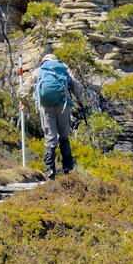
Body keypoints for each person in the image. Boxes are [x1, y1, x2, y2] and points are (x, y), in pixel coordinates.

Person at [33, 50, 76, 179]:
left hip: (46, 108)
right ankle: (68, 168)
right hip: (63, 106)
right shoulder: (64, 69)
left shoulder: (39, 71)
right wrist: (81, 100)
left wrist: (22, 101)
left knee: (50, 138)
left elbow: (24, 89)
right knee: (64, 136)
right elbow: (75, 86)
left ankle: (49, 171)